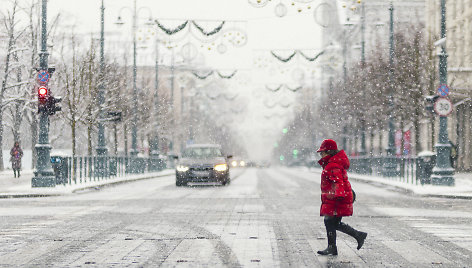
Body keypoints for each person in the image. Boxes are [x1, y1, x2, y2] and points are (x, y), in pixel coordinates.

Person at [316, 139, 367, 256]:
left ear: (329, 152)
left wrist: (338, 196)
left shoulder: (332, 165)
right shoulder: (332, 163)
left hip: (335, 199)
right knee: (333, 222)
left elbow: (338, 182)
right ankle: (356, 236)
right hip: (334, 198)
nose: (321, 155)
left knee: (330, 221)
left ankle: (334, 246)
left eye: (322, 152)